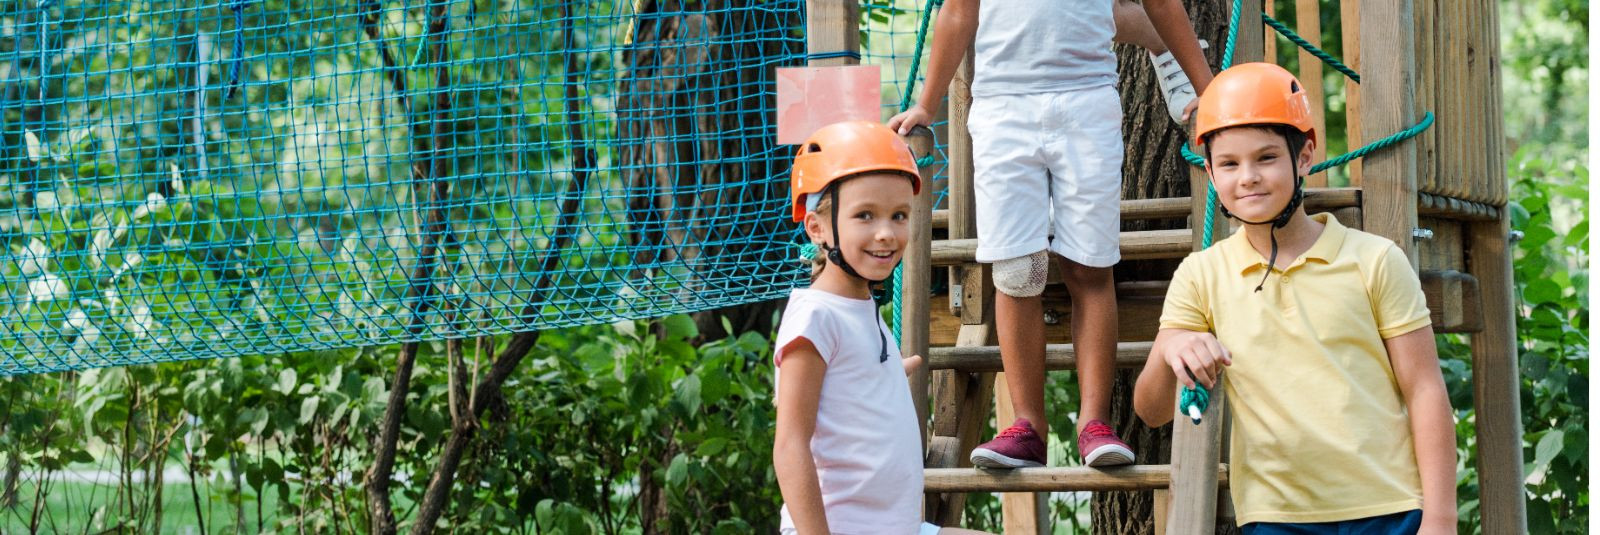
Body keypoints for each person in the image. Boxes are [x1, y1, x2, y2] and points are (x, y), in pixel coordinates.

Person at [1132, 63, 1457, 534]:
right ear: (1210, 171)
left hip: (1389, 510)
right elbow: (1152, 409)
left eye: (1266, 158)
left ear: (1304, 157)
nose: (1248, 177)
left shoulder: (1375, 260)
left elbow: (1425, 390)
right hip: (1276, 518)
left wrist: (1441, 518)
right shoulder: (1202, 274)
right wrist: (1171, 346)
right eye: (1229, 163)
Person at [887, 0, 1213, 469]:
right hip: (1003, 107)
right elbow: (958, 12)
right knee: (1017, 270)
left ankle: (1095, 422)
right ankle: (1026, 425)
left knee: (1089, 264)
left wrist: (1209, 88)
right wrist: (925, 103)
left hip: (1086, 99)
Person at [772, 121, 989, 535]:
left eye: (899, 215)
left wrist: (882, 378)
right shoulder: (815, 317)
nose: (886, 233)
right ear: (816, 228)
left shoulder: (860, 307)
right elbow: (789, 445)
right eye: (865, 215)